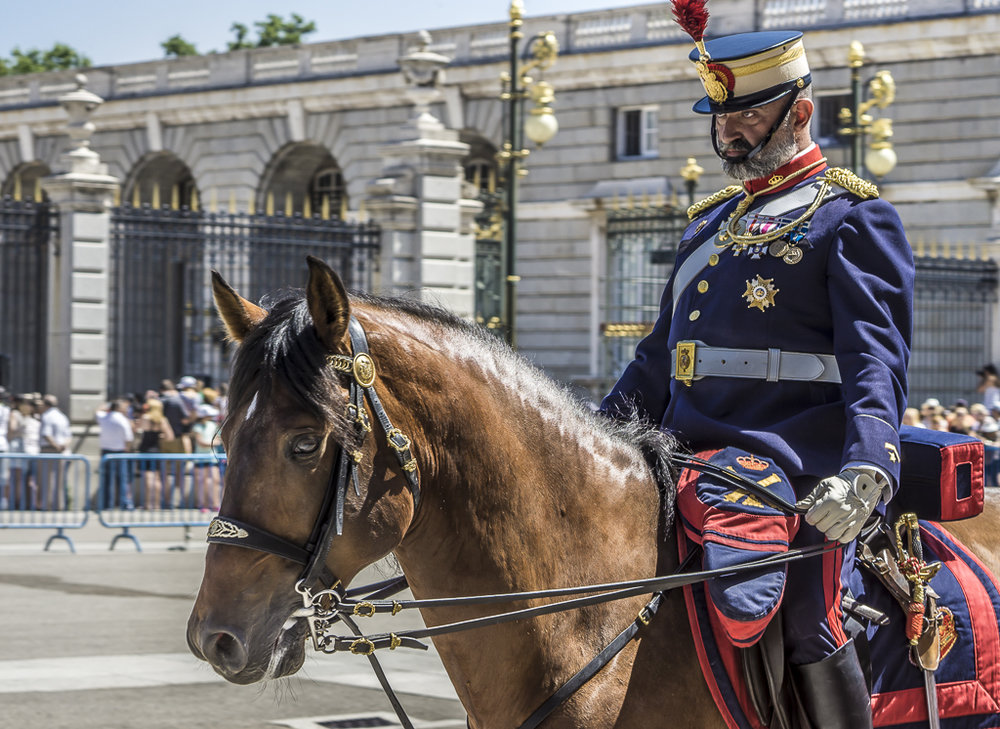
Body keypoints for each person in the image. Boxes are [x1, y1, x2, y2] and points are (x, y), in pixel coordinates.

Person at [600, 13, 913, 728]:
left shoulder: (850, 219)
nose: (728, 133)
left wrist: (867, 469)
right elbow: (656, 361)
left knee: (811, 614)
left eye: (746, 116)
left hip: (799, 469)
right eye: (720, 116)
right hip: (683, 456)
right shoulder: (706, 225)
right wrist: (592, 436)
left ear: (800, 111)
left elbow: (876, 364)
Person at [135, 397, 174, 509]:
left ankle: (148, 504)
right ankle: (157, 504)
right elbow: (170, 437)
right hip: (157, 449)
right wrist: (161, 436)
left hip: (145, 449)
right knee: (157, 478)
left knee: (148, 478)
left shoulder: (145, 417)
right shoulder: (162, 420)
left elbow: (136, 429)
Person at [95, 399, 134, 508]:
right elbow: (129, 438)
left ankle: (107, 504)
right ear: (118, 408)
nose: (126, 409)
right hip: (120, 451)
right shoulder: (123, 420)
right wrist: (128, 449)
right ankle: (124, 503)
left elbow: (97, 411)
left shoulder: (104, 417)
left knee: (106, 479)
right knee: (122, 479)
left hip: (106, 452)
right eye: (124, 407)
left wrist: (106, 405)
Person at [38, 394, 72, 510]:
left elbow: (46, 434)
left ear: (45, 404)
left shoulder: (47, 416)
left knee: (47, 480)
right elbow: (69, 436)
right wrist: (63, 446)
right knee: (60, 479)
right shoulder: (62, 416)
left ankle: (48, 505)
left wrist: (56, 446)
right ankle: (59, 505)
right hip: (62, 450)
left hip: (50, 449)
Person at [190, 403, 221, 511]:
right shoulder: (197, 427)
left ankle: (215, 504)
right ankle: (202, 504)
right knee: (201, 481)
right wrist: (213, 443)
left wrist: (211, 443)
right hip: (200, 458)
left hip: (212, 457)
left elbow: (218, 440)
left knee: (215, 480)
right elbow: (200, 442)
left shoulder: (213, 425)